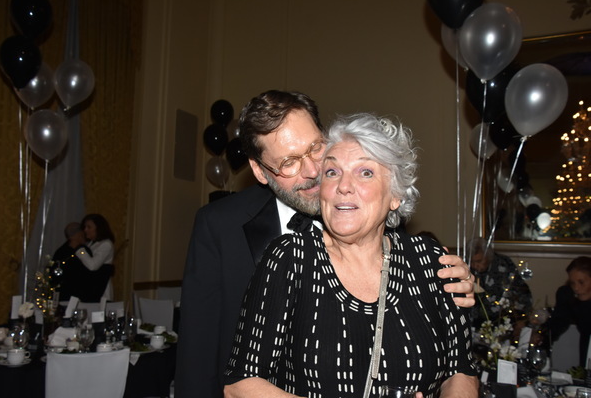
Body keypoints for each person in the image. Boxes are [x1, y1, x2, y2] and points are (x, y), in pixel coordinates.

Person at [175, 90, 475, 398]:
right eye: (289, 162)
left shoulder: (400, 238)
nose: (313, 171)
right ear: (260, 171)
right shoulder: (222, 227)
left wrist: (458, 280)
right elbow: (197, 356)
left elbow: (456, 359)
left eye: (316, 148)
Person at [466, 237, 533, 327]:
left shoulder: (504, 264)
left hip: (504, 321)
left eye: (479, 261)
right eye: (472, 262)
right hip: (475, 322)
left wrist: (522, 319)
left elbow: (521, 292)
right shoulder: (466, 267)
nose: (475, 265)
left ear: (488, 256)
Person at [549, 256, 591, 367]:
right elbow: (558, 322)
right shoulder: (568, 296)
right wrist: (543, 335)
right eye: (573, 283)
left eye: (581, 282)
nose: (576, 288)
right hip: (586, 351)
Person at [74, 213, 116, 302]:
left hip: (101, 290)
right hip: (91, 289)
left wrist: (80, 249)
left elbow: (92, 265)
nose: (85, 230)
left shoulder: (106, 244)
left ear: (99, 228)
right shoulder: (91, 244)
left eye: (89, 227)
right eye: (84, 227)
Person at [51, 222, 88, 301]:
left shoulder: (60, 251)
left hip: (67, 294)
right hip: (73, 294)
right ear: (79, 234)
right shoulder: (82, 251)